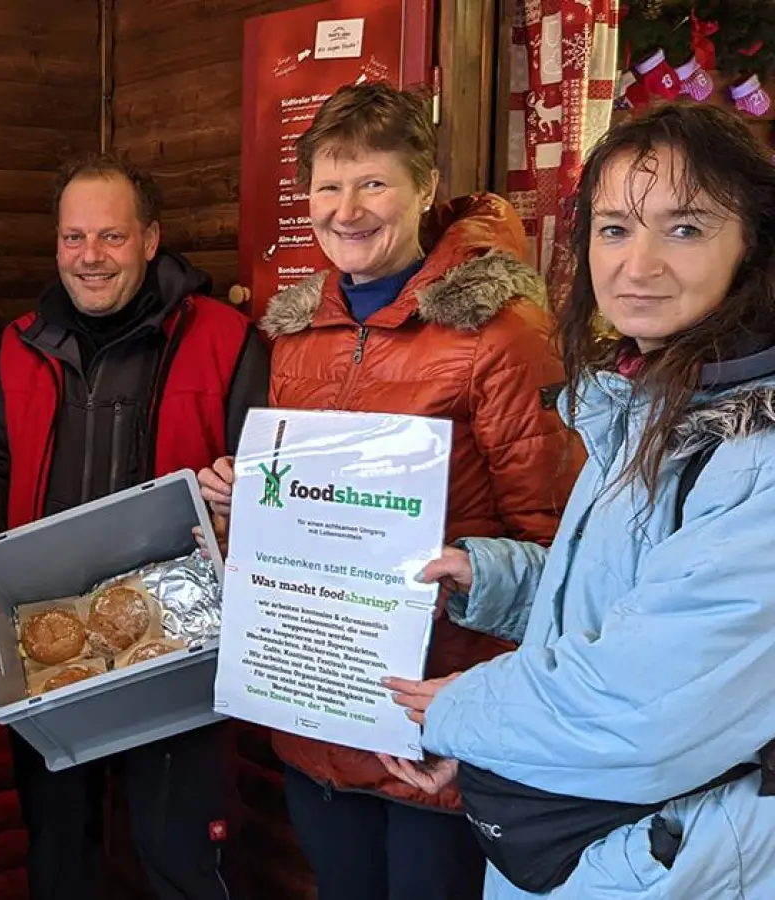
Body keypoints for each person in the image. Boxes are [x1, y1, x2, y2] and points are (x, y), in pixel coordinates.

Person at [382, 101, 775, 899]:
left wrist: (462, 710)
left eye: (687, 228)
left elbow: (645, 701)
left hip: (676, 862)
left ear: (754, 247)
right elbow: (628, 597)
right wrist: (498, 580)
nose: (640, 265)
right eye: (615, 228)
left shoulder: (757, 453)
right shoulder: (646, 400)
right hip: (603, 843)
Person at [197, 82, 579, 900]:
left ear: (424, 188)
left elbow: (562, 549)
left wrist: (478, 703)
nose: (348, 208)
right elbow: (302, 511)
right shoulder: (295, 335)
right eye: (330, 186)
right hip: (319, 709)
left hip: (433, 724)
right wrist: (249, 500)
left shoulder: (501, 331)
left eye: (374, 183)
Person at [0, 153, 270, 900]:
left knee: (179, 854)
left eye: (111, 238)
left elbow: (263, 477)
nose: (89, 258)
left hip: (181, 647)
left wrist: (236, 502)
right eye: (72, 239)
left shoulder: (227, 340)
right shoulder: (16, 346)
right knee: (61, 857)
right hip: (51, 647)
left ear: (151, 240)